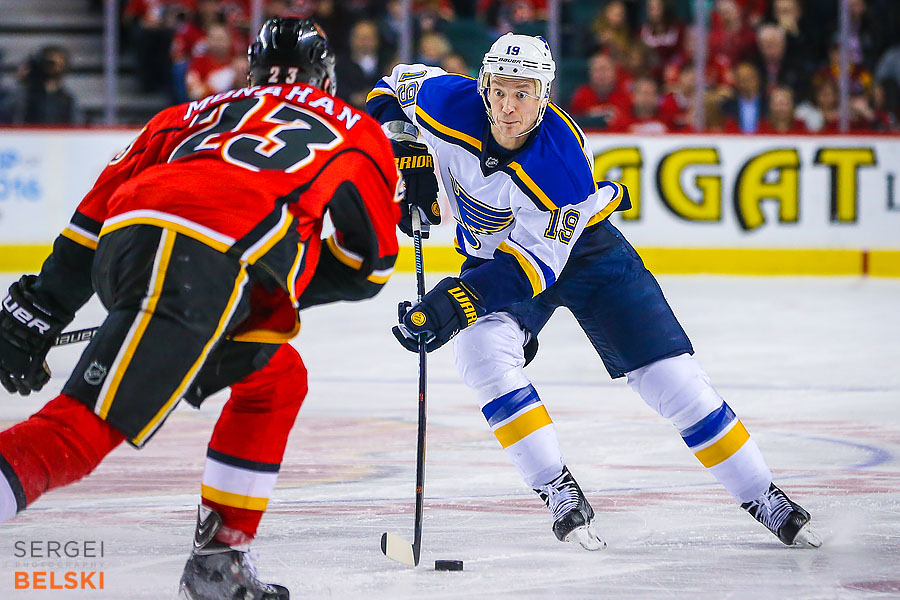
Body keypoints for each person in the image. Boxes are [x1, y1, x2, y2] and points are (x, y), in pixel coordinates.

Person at [366, 32, 821, 551]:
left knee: (671, 380)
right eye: (500, 91)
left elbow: (531, 269)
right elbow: (385, 91)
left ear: (545, 96)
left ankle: (763, 494)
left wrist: (456, 302)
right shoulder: (447, 100)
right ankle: (557, 488)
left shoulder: (560, 166)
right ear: (484, 85)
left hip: (585, 252)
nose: (509, 108)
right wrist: (406, 153)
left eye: (524, 93)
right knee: (480, 353)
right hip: (494, 257)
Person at [0, 18, 399, 600]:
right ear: (326, 77)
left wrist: (42, 308)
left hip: (134, 242)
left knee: (277, 380)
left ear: (253, 71)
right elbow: (371, 267)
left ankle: (219, 560)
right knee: (81, 430)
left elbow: (91, 219)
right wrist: (276, 285)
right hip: (208, 260)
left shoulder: (189, 113)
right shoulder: (358, 129)